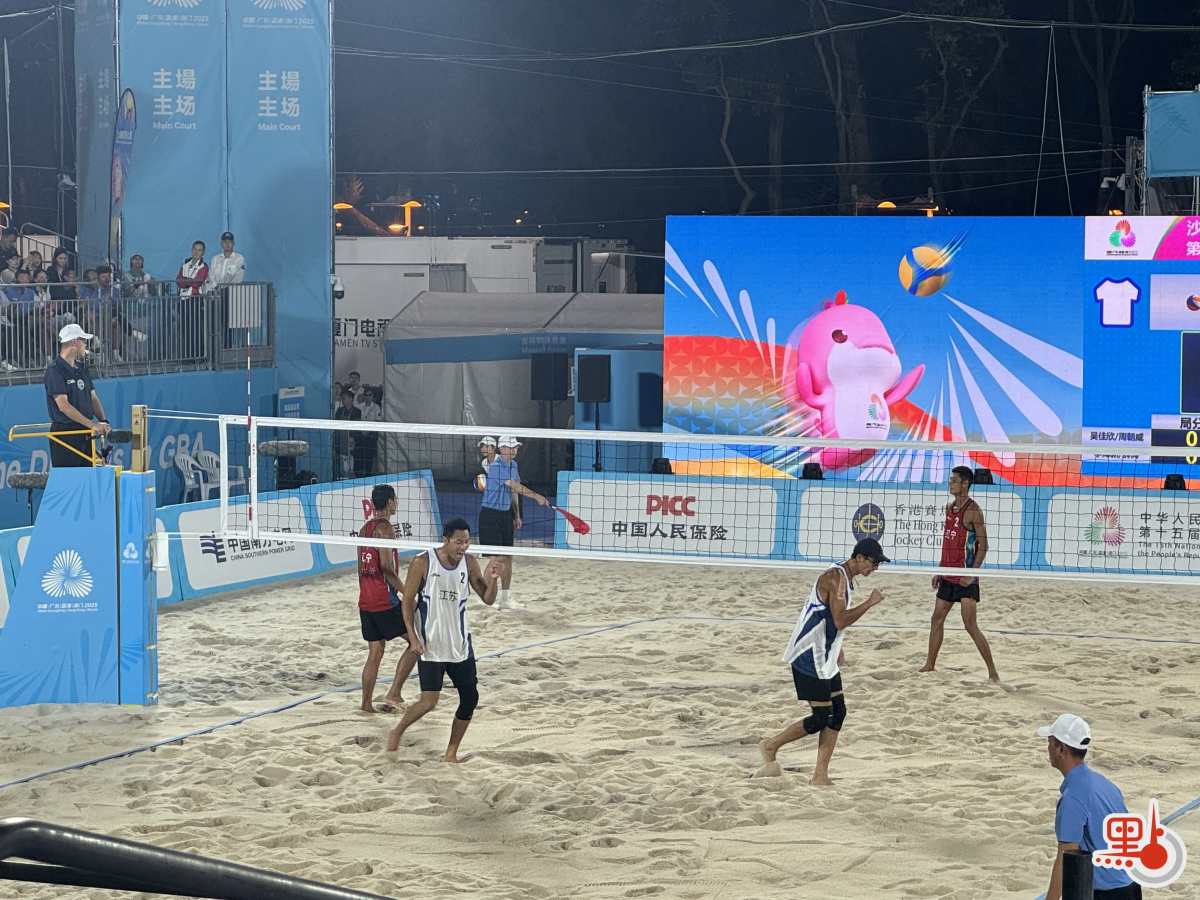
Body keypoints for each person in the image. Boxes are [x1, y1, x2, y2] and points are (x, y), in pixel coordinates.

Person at [759, 538, 888, 785]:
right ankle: (771, 745)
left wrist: (838, 647)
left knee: (838, 712)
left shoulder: (844, 578)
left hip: (825, 655)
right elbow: (839, 620)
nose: (875, 568)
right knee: (821, 716)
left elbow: (829, 619)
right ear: (859, 557)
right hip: (808, 655)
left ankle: (820, 775)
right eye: (873, 563)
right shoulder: (835, 578)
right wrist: (870, 603)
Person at [385, 518, 502, 762]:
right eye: (458, 542)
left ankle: (451, 753)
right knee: (429, 702)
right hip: (432, 646)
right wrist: (413, 638)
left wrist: (493, 579)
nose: (463, 547)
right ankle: (397, 731)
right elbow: (407, 602)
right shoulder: (422, 562)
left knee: (470, 699)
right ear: (446, 540)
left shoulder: (469, 563)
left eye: (467, 542)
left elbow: (488, 599)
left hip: (460, 645)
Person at [1038, 714, 1140, 900]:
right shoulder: (1105, 784)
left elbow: (1066, 858)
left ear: (1061, 749)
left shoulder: (1073, 798)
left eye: (1050, 742)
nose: (1048, 748)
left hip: (1106, 894)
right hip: (1131, 885)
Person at [920, 465, 1000, 682]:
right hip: (948, 574)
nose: (950, 483)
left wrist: (972, 574)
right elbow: (947, 544)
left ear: (965, 484)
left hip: (965, 576)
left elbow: (983, 546)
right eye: (950, 480)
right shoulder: (949, 508)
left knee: (970, 625)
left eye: (954, 480)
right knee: (936, 619)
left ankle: (992, 672)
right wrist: (940, 570)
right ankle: (930, 665)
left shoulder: (973, 511)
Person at [358, 484, 420, 714]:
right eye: (395, 499)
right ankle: (394, 692)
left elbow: (361, 567)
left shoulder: (364, 528)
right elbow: (386, 566)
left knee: (375, 653)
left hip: (365, 600)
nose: (397, 503)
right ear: (390, 502)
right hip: (384, 600)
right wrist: (406, 593)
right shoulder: (385, 529)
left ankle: (366, 704)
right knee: (417, 643)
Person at [477, 435, 548, 610]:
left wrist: (516, 515)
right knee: (497, 558)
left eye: (516, 447)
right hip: (490, 515)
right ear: (501, 449)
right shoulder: (496, 467)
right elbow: (514, 486)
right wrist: (537, 496)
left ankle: (505, 598)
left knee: (508, 557)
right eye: (511, 447)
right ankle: (484, 597)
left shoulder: (513, 465)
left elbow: (513, 493)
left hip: (505, 514)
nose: (515, 450)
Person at [44, 323, 109, 467]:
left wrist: (104, 421)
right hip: (65, 435)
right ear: (74, 342)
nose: (86, 345)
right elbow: (64, 406)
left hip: (85, 432)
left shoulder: (81, 368)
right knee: (70, 478)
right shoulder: (55, 370)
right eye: (83, 341)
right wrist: (92, 425)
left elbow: (93, 398)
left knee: (89, 476)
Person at [333, 389, 361, 479]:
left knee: (350, 460)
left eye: (344, 398)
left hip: (352, 440)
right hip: (341, 439)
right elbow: (336, 425)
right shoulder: (339, 411)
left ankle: (351, 474)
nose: (342, 400)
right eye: (342, 398)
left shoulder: (357, 411)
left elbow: (356, 427)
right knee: (342, 459)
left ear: (351, 399)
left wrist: (352, 438)